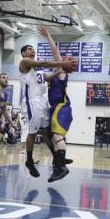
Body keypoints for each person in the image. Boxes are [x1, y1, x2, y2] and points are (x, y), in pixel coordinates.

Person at [19, 40, 76, 178]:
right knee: (32, 133)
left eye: (33, 49)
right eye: (29, 48)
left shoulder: (38, 69)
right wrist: (62, 63)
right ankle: (30, 160)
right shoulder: (25, 63)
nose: (32, 50)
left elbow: (47, 78)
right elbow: (44, 63)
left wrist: (60, 71)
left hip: (42, 101)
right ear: (23, 53)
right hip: (31, 102)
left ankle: (56, 156)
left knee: (46, 130)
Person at [38, 26, 73, 182]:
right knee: (51, 136)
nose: (63, 58)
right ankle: (60, 163)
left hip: (61, 105)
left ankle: (60, 168)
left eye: (66, 58)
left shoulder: (62, 70)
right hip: (55, 106)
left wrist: (48, 36)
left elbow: (55, 53)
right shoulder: (56, 72)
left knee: (57, 136)